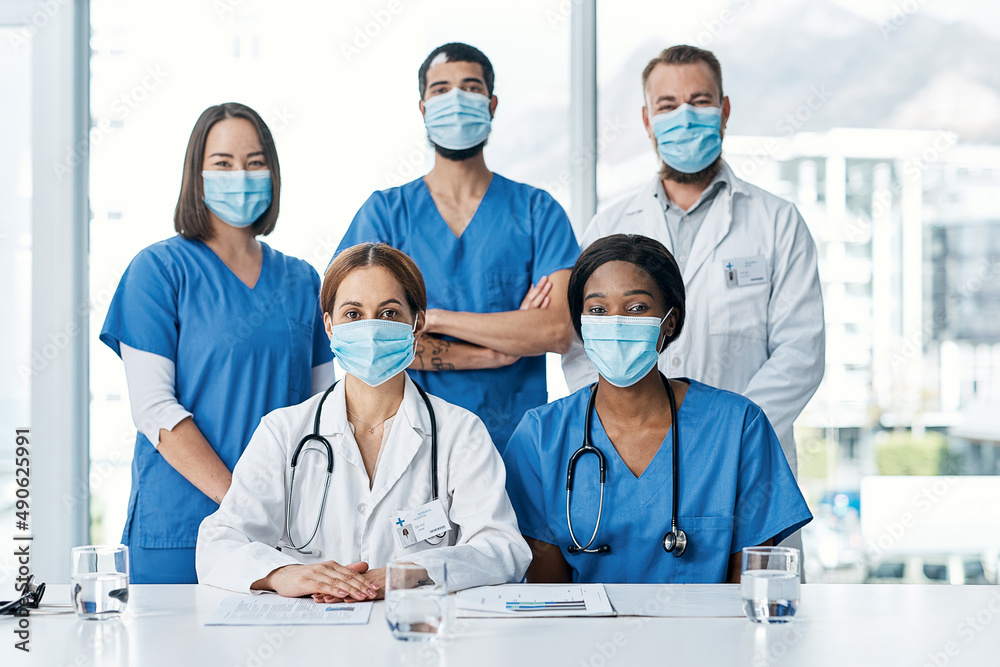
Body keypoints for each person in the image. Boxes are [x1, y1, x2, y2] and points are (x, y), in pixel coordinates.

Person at [197, 243, 531, 598]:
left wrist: (410, 573)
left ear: (416, 325)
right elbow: (218, 543)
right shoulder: (283, 432)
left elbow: (503, 549)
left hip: (415, 634)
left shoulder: (460, 432)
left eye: (388, 314)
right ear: (329, 325)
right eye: (353, 314)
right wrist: (283, 574)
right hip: (310, 638)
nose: (370, 329)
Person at [562, 45, 825, 484]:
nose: (684, 116)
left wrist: (725, 430)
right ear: (648, 121)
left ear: (724, 111)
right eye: (667, 104)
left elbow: (801, 354)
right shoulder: (610, 224)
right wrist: (629, 429)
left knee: (749, 556)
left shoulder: (777, 221)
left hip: (746, 457)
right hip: (632, 455)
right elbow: (582, 345)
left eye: (700, 101)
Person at [100, 103, 334, 584]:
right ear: (197, 174)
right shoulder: (159, 271)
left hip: (282, 537)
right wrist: (244, 504)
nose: (240, 175)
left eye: (254, 162)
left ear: (272, 173)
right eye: (223, 163)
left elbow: (321, 414)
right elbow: (154, 410)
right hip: (182, 528)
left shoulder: (302, 281)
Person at [504, 235, 812, 584]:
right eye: (598, 310)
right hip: (585, 636)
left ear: (669, 321)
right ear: (581, 324)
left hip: (710, 637)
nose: (616, 323)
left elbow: (749, 590)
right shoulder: (541, 437)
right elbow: (552, 601)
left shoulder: (738, 427)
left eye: (636, 308)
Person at [335, 42, 580, 449]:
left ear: (492, 103)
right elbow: (366, 340)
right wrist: (494, 352)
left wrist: (435, 319)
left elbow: (555, 329)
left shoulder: (537, 211)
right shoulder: (386, 214)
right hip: (407, 439)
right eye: (441, 89)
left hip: (514, 443)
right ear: (423, 107)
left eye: (470, 88)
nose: (456, 100)